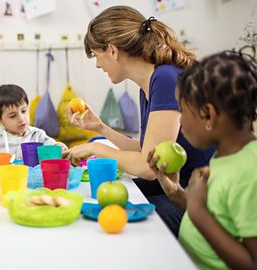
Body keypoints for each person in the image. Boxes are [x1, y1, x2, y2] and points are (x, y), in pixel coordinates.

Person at [62, 5, 214, 236]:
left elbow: (148, 168)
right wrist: (101, 128)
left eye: (96, 55)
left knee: (107, 219)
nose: (97, 64)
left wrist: (96, 147)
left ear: (112, 51)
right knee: (95, 204)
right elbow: (148, 151)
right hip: (177, 185)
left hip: (199, 198)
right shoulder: (151, 84)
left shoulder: (165, 79)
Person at [148, 50, 257, 269]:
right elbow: (220, 217)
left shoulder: (250, 171)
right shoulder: (227, 154)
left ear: (207, 114)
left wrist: (196, 210)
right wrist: (177, 193)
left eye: (182, 110)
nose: (180, 121)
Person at [0, 84, 67, 160]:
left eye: (24, 111)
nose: (21, 119)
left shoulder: (38, 135)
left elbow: (54, 147)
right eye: (13, 116)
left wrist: (60, 147)